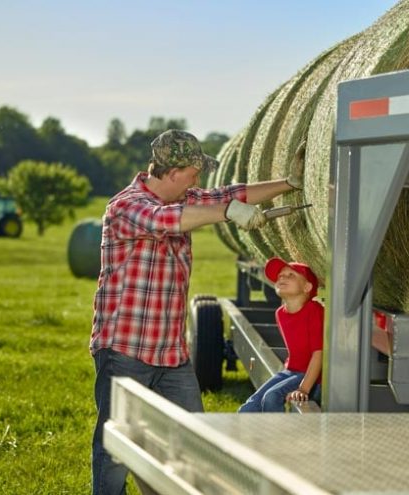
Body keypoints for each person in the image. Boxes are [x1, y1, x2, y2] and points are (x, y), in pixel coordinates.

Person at [90, 129, 304, 495]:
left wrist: (289, 183)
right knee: (116, 446)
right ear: (172, 172)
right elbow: (165, 220)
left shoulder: (186, 198)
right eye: (193, 172)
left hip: (171, 354)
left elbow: (233, 194)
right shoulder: (126, 206)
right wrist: (227, 212)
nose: (198, 180)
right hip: (126, 351)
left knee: (193, 441)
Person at [238, 257, 323, 413]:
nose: (283, 277)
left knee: (271, 397)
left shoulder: (314, 310)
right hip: (290, 370)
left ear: (307, 287)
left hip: (312, 375)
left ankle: (278, 435)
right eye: (280, 276)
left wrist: (303, 389)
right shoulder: (280, 314)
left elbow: (319, 354)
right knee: (248, 407)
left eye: (291, 275)